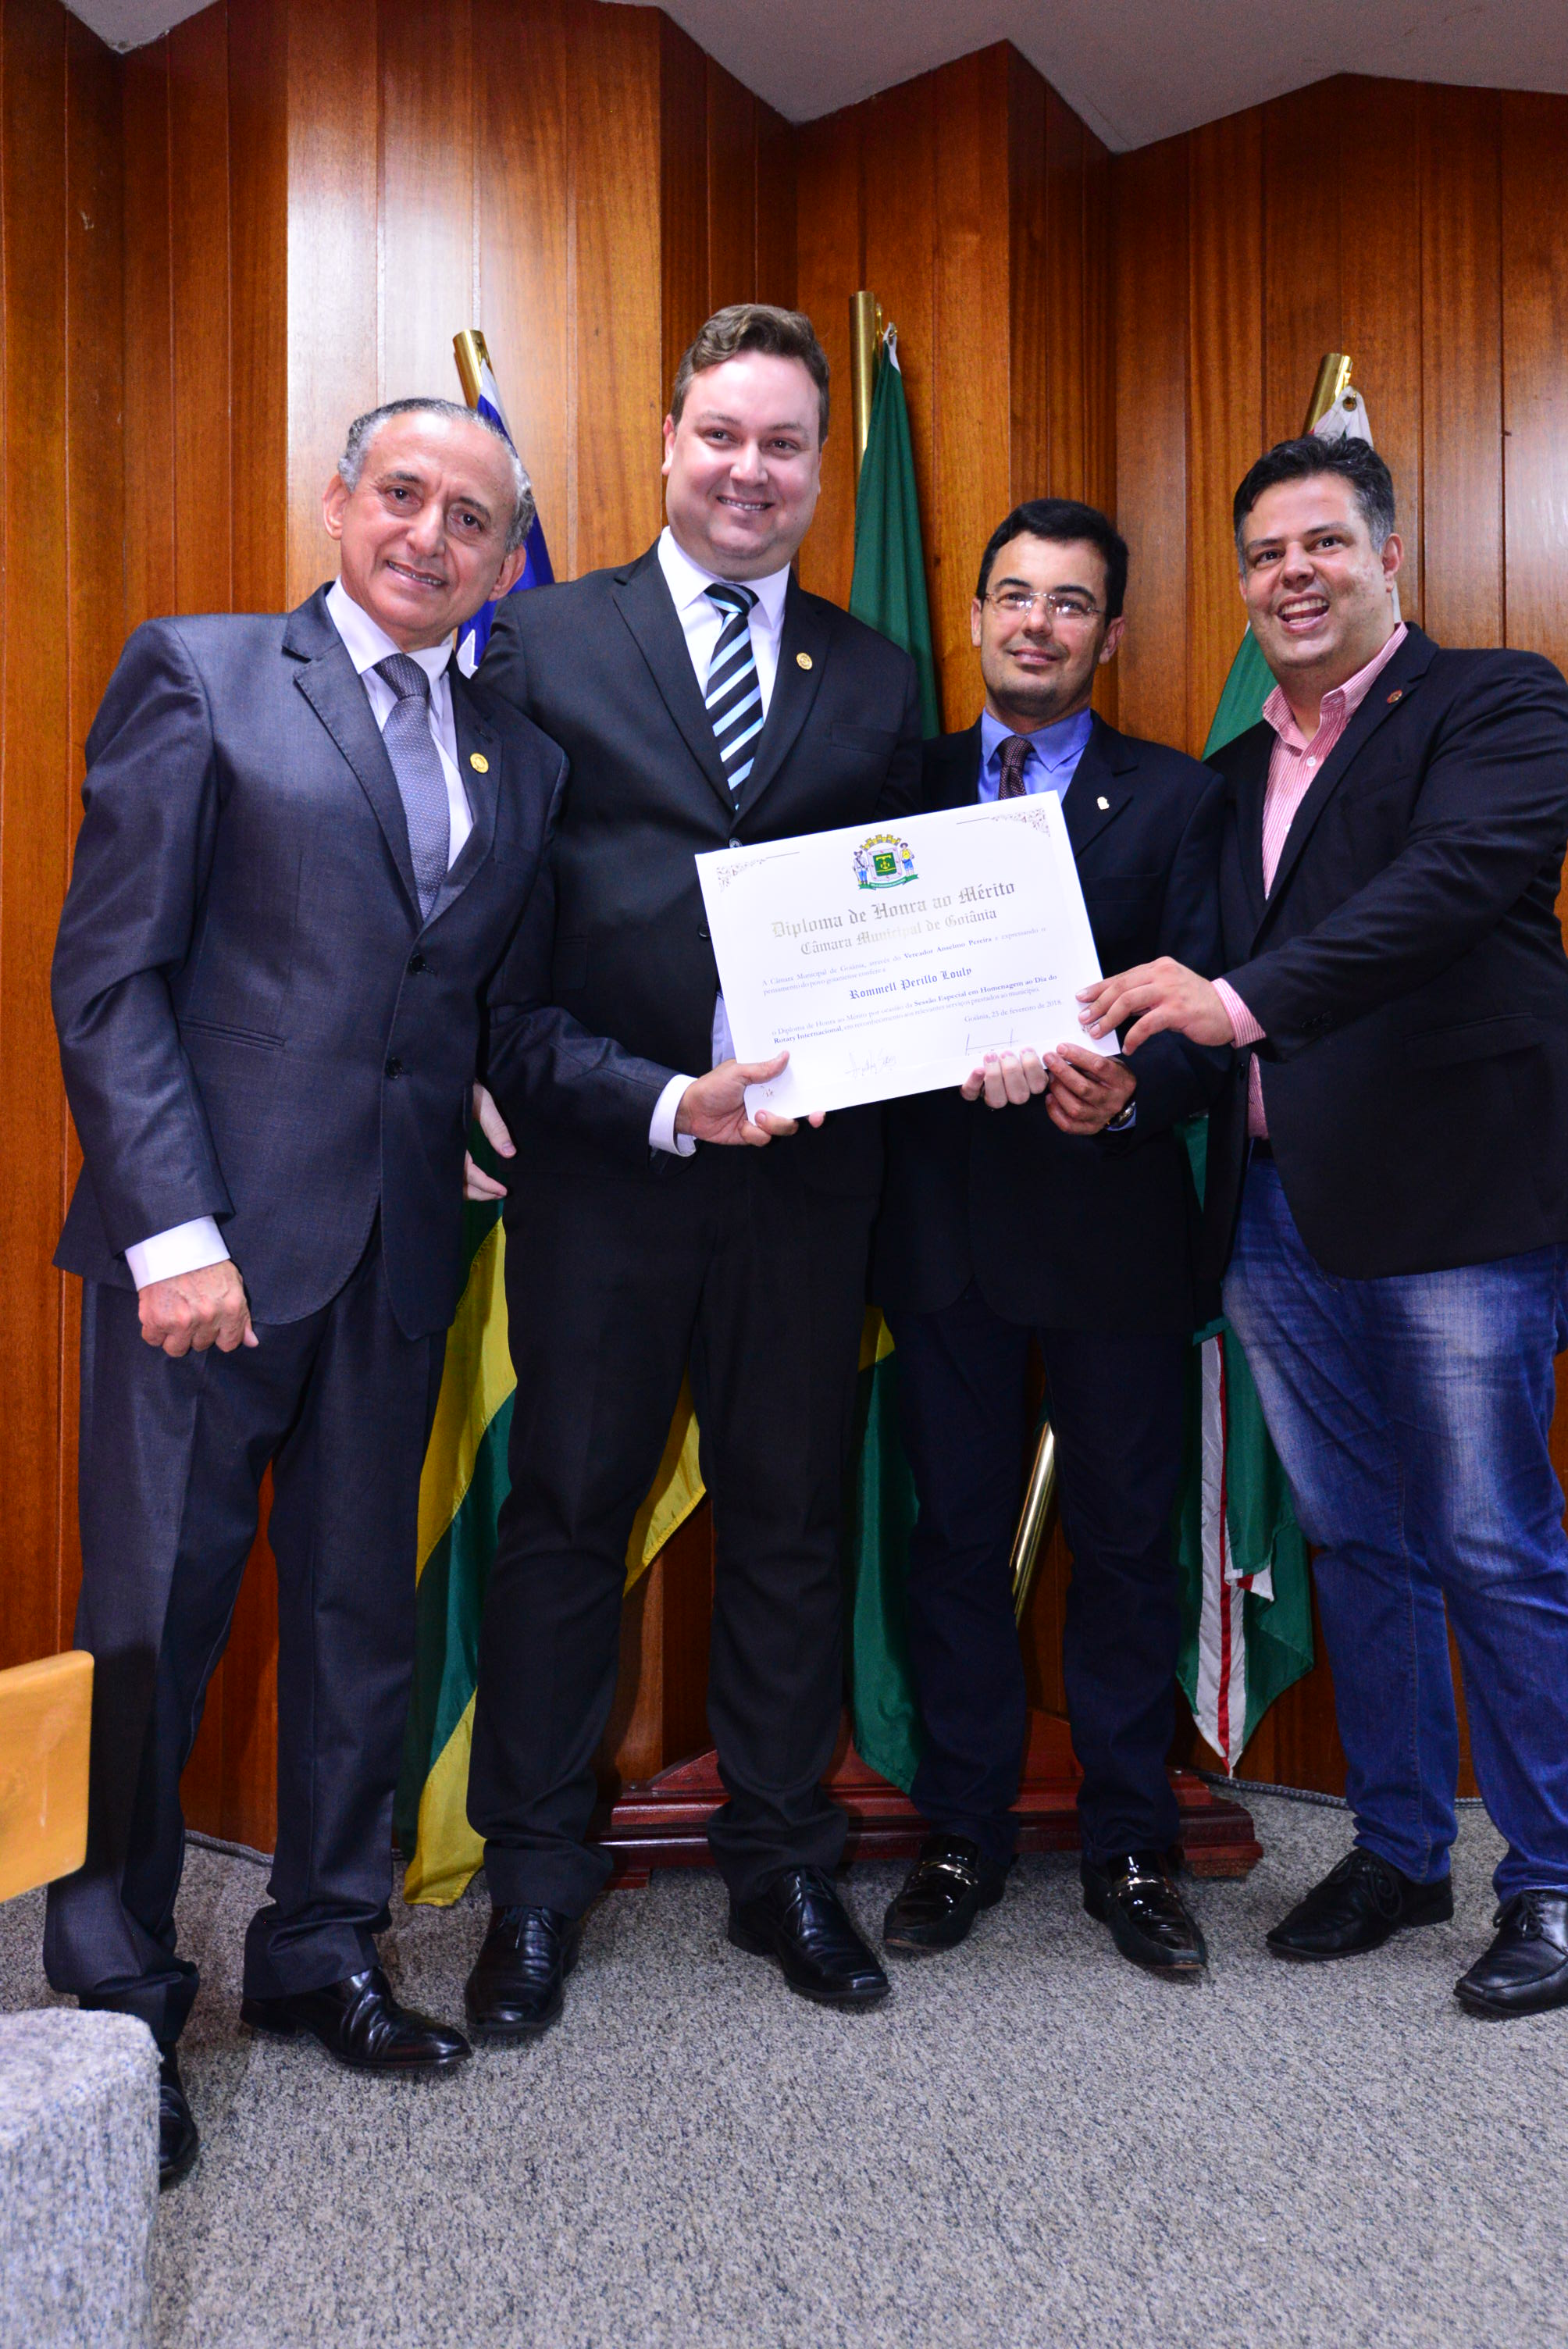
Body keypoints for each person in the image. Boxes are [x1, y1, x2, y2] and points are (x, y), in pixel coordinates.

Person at [46, 398, 565, 2183]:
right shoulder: (201, 675)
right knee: (151, 1627)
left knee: (359, 1622)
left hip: (399, 1251)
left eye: (472, 518)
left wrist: (511, 1110)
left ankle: (320, 1946)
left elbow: (466, 1004)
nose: (431, 534)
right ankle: (116, 1996)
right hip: (208, 1259)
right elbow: (110, 977)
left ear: (502, 559)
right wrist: (169, 1231)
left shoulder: (518, 756)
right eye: (403, 494)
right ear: (339, 502)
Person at [465, 304, 921, 2031]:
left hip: (806, 1183)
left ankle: (784, 1862)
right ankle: (533, 1878)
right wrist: (651, 1098)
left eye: (784, 444)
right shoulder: (540, 638)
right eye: (720, 434)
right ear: (666, 442)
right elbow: (502, 937)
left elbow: (896, 922)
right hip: (610, 1165)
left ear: (820, 467)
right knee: (566, 1520)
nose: (749, 470)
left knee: (791, 1521)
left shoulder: (874, 675)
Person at [1078, 436, 1568, 2019]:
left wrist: (1225, 1003)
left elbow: (1445, 889)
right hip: (1276, 1215)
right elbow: (1188, 999)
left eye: (1323, 544)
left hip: (1457, 1209)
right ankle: (1400, 1847)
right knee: (1357, 1536)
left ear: (1387, 555)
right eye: (1264, 555)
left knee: (1490, 1540)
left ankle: (1552, 1879)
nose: (1291, 575)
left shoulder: (1496, 704)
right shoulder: (1226, 779)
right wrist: (1125, 1085)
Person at [870, 499, 1228, 1975]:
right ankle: (961, 1832)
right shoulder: (893, 785)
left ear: (1110, 635)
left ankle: (1132, 1842)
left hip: (1112, 1227)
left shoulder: (1180, 795)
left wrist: (1135, 1089)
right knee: (953, 1541)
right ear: (973, 617)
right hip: (940, 1232)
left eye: (1071, 604)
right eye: (1014, 596)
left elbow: (1211, 1012)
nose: (1038, 624)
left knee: (1128, 1546)